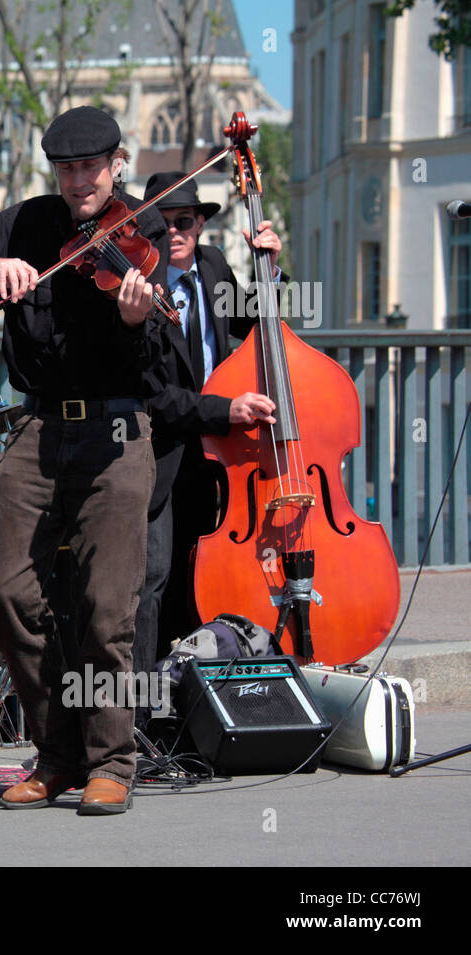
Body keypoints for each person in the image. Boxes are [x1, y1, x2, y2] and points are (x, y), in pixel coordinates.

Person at [0, 106, 166, 814]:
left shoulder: (139, 235)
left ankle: (111, 758)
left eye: (90, 167)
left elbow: (155, 367)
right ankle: (55, 753)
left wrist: (132, 320)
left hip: (117, 432)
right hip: (38, 429)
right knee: (11, 597)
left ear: (116, 163)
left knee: (104, 608)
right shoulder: (28, 221)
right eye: (65, 168)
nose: (78, 181)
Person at [132, 171, 282, 727]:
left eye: (185, 220)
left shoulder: (214, 266)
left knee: (214, 571)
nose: (174, 231)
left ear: (201, 225)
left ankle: (211, 696)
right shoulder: (136, 287)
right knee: (155, 579)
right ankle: (142, 715)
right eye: (162, 222)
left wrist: (271, 268)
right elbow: (154, 397)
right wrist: (225, 410)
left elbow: (253, 321)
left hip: (222, 457)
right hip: (163, 451)